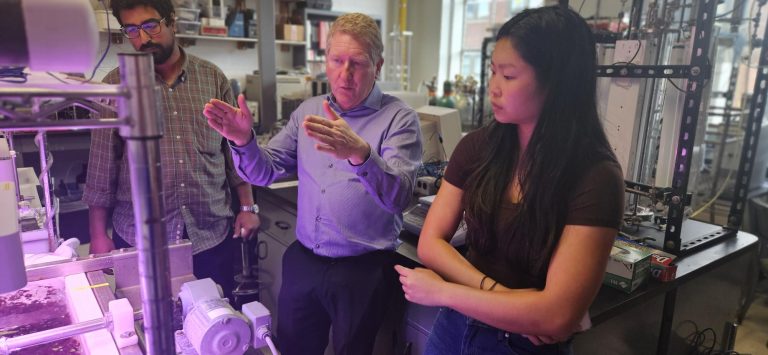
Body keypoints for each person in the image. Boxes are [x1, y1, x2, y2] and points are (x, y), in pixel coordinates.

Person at [395, 5, 625, 354]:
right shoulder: (478, 147)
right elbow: (431, 242)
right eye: (492, 72)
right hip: (456, 324)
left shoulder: (595, 177)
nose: (494, 87)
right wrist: (506, 298)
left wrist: (443, 291)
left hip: (521, 344)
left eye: (509, 75)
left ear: (556, 82)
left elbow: (559, 315)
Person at [203, 13, 422, 355]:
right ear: (326, 61)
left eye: (358, 63)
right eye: (337, 61)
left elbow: (400, 197)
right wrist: (243, 141)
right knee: (292, 347)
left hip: (362, 270)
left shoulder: (399, 118)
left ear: (377, 66)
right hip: (305, 260)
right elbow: (265, 171)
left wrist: (361, 154)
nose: (344, 74)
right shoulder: (308, 111)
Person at [83, 0, 260, 302]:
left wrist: (247, 207)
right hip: (141, 239)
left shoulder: (212, 78)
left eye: (151, 25)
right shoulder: (115, 84)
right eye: (132, 30)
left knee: (213, 327)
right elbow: (102, 166)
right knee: (147, 330)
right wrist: (99, 235)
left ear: (172, 22)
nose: (144, 39)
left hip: (209, 233)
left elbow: (232, 152)